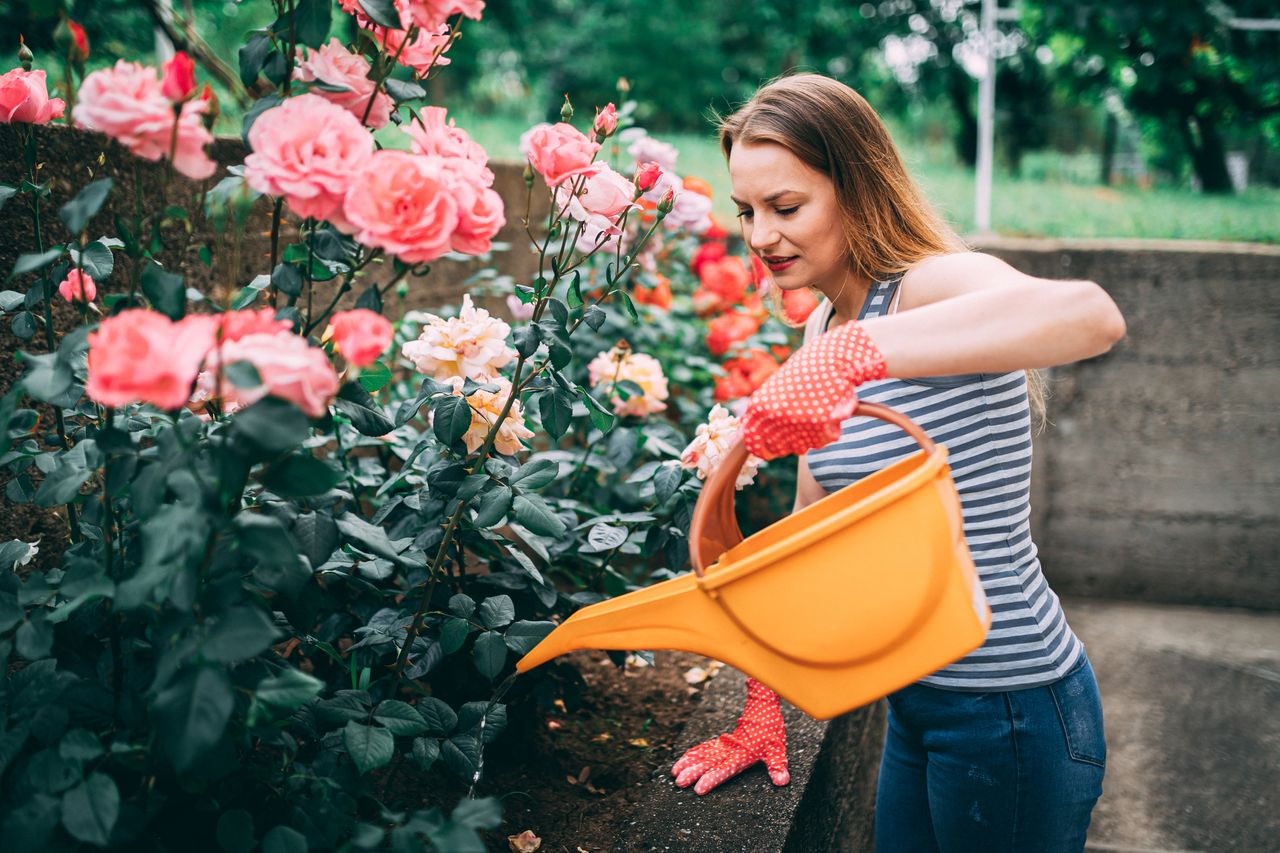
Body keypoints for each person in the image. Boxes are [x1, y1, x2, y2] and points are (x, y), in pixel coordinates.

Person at [667, 74, 1124, 852]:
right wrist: (764, 703)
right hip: (918, 707)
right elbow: (810, 536)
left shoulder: (921, 290)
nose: (760, 236)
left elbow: (1090, 314)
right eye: (747, 212)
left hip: (1012, 712)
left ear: (857, 188)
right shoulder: (824, 323)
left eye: (786, 207)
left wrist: (855, 353)